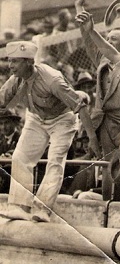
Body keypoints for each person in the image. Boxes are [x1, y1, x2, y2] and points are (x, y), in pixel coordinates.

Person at [0, 41, 99, 222]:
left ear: (29, 62)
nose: (10, 66)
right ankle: (20, 207)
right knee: (19, 157)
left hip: (63, 119)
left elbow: (81, 107)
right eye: (10, 61)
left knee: (55, 161)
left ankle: (42, 209)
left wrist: (92, 138)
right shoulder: (15, 79)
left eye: (15, 62)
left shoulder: (52, 79)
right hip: (37, 119)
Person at [74, 0, 120, 203]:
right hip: (104, 124)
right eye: (108, 38)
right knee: (108, 171)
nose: (108, 42)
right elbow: (89, 41)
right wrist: (80, 9)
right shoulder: (103, 64)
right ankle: (107, 207)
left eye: (113, 39)